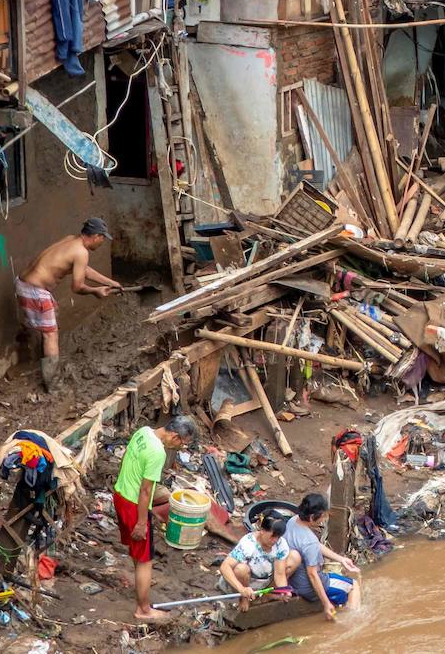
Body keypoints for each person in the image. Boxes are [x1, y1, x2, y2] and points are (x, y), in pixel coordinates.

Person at [16, 217, 122, 390]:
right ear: (96, 236)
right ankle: (53, 384)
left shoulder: (71, 240)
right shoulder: (81, 252)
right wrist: (96, 291)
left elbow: (83, 269)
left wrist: (110, 282)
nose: (103, 242)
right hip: (35, 291)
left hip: (24, 284)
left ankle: (29, 335)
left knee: (48, 322)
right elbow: (77, 287)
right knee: (51, 334)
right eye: (103, 238)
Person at [112, 416, 198, 623]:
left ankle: (141, 588)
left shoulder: (143, 432)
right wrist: (142, 522)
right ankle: (143, 609)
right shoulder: (158, 452)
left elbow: (126, 461)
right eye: (181, 444)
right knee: (145, 560)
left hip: (120, 494)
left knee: (138, 552)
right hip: (134, 504)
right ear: (175, 436)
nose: (178, 448)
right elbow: (146, 489)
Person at [283, 493, 361, 621]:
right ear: (312, 517)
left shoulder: (293, 521)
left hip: (292, 580)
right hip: (306, 588)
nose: (324, 519)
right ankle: (353, 621)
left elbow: (314, 546)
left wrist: (341, 559)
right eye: (323, 516)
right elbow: (313, 575)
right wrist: (326, 603)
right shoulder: (310, 541)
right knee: (353, 585)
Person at [219, 514, 292, 610]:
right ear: (262, 530)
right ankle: (244, 598)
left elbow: (279, 574)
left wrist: (283, 590)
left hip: (263, 581)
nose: (275, 540)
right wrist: (242, 589)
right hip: (242, 581)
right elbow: (224, 567)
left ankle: (266, 595)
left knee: (293, 559)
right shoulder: (248, 544)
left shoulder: (281, 544)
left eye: (278, 537)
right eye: (272, 536)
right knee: (241, 569)